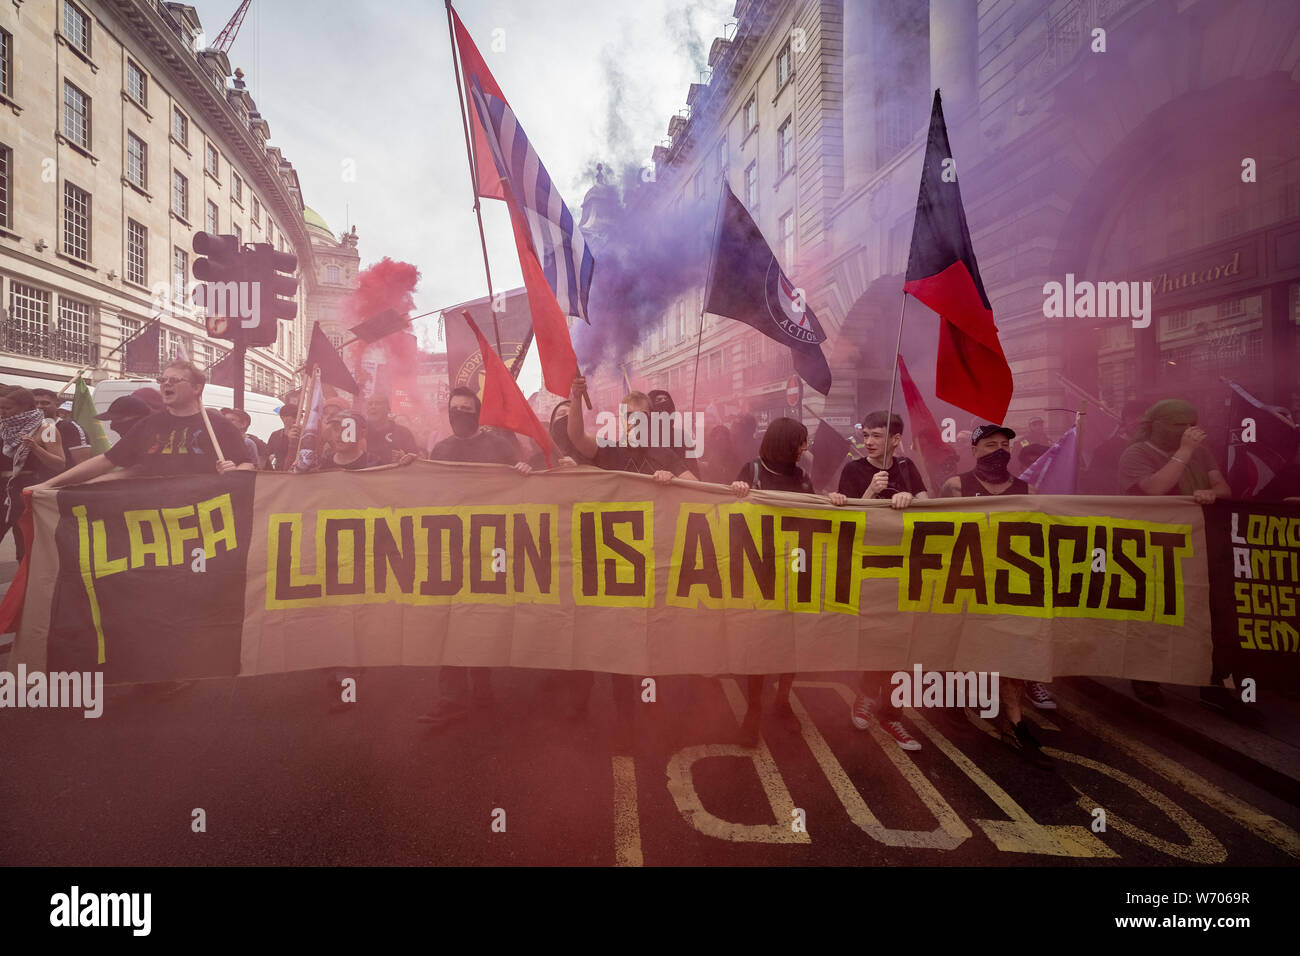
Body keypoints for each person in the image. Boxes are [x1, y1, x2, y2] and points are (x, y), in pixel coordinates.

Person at [730, 416, 850, 745]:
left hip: (795, 568)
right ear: (785, 442)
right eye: (800, 442)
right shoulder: (751, 471)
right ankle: (753, 709)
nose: (805, 448)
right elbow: (729, 515)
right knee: (760, 642)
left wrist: (831, 502)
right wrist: (738, 493)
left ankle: (782, 701)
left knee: (789, 641)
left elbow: (811, 517)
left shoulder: (802, 478)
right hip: (760, 569)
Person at [419, 387, 532, 729]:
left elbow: (521, 482)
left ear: (477, 413)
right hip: (452, 547)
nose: (459, 413)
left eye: (466, 409)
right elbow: (428, 490)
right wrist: (409, 470)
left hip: (491, 546)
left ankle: (482, 687)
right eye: (455, 408)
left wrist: (524, 470)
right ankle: (451, 698)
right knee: (449, 621)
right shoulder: (441, 449)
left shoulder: (497, 445)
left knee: (481, 617)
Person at [941, 424, 1053, 765]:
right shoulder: (956, 486)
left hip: (1009, 587)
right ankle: (953, 702)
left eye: (1005, 445)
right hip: (966, 584)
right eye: (990, 445)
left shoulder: (1027, 489)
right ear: (973, 450)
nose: (999, 450)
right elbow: (935, 530)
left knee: (1012, 653)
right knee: (960, 648)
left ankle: (1014, 723)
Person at [1117, 400, 1235, 712]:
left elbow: (1223, 487)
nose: (1186, 431)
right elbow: (1155, 488)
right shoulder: (1136, 453)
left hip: (1198, 543)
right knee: (1155, 612)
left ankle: (1211, 680)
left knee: (1208, 612)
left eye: (1190, 424)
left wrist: (1212, 493)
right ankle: (1144, 677)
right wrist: (1183, 452)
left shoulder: (1203, 451)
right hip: (1155, 546)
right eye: (1177, 424)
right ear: (1155, 424)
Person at [837, 411, 929, 750]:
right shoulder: (853, 469)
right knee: (876, 637)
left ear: (895, 439)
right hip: (867, 567)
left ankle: (892, 715)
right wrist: (871, 492)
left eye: (877, 435)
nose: (869, 441)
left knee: (899, 642)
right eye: (867, 435)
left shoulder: (906, 468)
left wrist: (911, 500)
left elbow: (929, 510)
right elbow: (844, 521)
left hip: (903, 567)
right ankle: (865, 695)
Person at [30, 360, 253, 490]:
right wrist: (49, 485)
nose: (166, 384)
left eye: (174, 380)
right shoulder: (149, 424)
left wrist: (235, 473)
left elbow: (247, 465)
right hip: (154, 516)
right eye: (162, 380)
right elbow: (107, 460)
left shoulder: (219, 425)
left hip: (203, 516)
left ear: (196, 389)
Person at [1, 388, 66, 560]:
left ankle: (27, 583)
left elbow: (59, 463)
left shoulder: (46, 429)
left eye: (7, 409)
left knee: (25, 545)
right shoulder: (4, 428)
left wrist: (36, 449)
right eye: (1, 408)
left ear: (24, 407)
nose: (3, 413)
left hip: (26, 489)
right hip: (2, 489)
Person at [1081, 400, 1145, 495]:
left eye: (1143, 417)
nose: (1138, 421)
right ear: (1124, 422)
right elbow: (1098, 486)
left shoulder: (1158, 448)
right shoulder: (1105, 450)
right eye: (1132, 417)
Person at [31, 387, 91, 465]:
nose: (39, 406)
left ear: (57, 405)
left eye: (45, 403)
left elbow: (83, 463)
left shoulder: (69, 427)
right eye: (35, 403)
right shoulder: (24, 428)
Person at [367, 394, 419, 464]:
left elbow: (415, 460)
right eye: (370, 404)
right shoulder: (360, 432)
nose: (373, 407)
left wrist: (405, 458)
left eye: (378, 403)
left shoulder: (404, 433)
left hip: (394, 474)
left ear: (388, 409)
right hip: (365, 474)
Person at [266, 403, 300, 471]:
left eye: (300, 416)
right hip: (279, 473)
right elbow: (267, 455)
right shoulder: (275, 435)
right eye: (294, 416)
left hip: (296, 474)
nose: (297, 418)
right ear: (283, 417)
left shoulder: (301, 434)